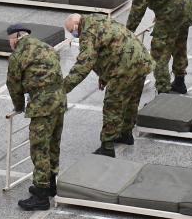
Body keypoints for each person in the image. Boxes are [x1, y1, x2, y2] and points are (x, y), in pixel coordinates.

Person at [62, 13, 153, 157]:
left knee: (112, 105)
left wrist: (62, 88)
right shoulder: (97, 18)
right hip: (142, 61)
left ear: (75, 25)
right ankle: (126, 134)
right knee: (132, 100)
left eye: (71, 31)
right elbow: (106, 49)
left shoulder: (87, 33)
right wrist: (103, 76)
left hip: (124, 68)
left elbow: (83, 65)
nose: (73, 34)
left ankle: (107, 146)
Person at [6, 24, 67, 211]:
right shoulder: (46, 46)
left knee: (39, 148)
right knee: (53, 143)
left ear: (16, 37)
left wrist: (19, 106)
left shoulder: (18, 55)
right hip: (59, 100)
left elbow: (13, 85)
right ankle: (50, 184)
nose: (10, 44)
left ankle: (41, 196)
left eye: (10, 40)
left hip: (42, 105)